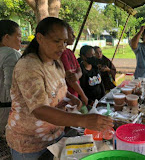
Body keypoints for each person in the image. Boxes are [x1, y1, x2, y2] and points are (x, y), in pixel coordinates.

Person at [6, 17, 113, 160]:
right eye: (57, 41)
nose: (62, 46)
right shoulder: (29, 66)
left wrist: (71, 97)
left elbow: (59, 87)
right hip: (31, 144)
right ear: (40, 38)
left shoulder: (56, 62)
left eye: (64, 42)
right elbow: (39, 109)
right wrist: (83, 120)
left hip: (56, 135)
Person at [0, 20, 21, 160]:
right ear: (6, 37)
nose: (20, 40)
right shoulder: (11, 54)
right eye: (18, 36)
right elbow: (11, 89)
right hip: (7, 113)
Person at [61, 24, 88, 105]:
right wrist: (83, 95)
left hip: (75, 94)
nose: (74, 36)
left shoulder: (70, 52)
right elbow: (70, 79)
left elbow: (79, 70)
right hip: (68, 96)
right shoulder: (62, 54)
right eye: (71, 34)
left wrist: (77, 75)